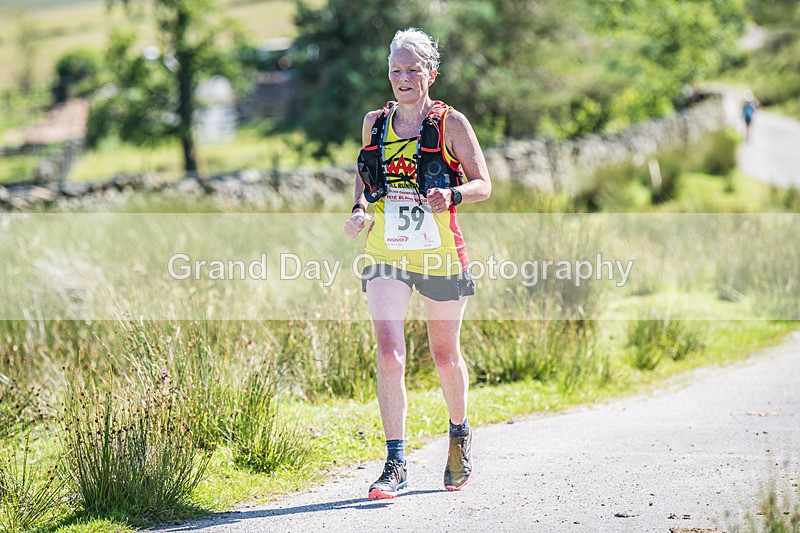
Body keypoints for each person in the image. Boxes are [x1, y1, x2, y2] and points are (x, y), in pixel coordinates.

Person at [343, 27, 492, 499]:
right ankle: (395, 461)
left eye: (412, 69)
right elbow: (365, 181)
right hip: (386, 251)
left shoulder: (452, 124)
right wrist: (359, 212)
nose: (403, 78)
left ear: (431, 72)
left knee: (444, 355)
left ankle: (459, 434)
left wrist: (450, 193)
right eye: (395, 71)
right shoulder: (374, 123)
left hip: (441, 252)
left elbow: (483, 184)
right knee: (389, 354)